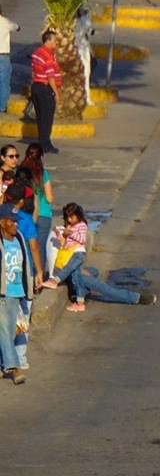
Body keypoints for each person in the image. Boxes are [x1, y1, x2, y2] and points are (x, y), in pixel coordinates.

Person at [0, 203, 34, 384]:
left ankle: (2, 364)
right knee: (5, 330)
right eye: (12, 221)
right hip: (2, 293)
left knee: (11, 330)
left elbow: (25, 262)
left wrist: (29, 288)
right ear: (2, 222)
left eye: (16, 221)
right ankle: (14, 368)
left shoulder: (19, 237)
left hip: (16, 292)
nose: (16, 225)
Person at [41, 202, 88, 311]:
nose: (70, 220)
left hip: (78, 253)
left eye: (72, 217)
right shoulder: (70, 226)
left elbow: (82, 240)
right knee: (77, 278)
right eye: (68, 218)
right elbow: (65, 242)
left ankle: (55, 281)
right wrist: (61, 235)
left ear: (78, 215)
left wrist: (70, 233)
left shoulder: (82, 225)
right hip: (70, 253)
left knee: (68, 268)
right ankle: (80, 302)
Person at [20, 144, 53, 275]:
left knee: (28, 247)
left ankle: (29, 277)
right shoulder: (43, 173)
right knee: (41, 248)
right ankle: (39, 279)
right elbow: (50, 198)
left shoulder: (20, 172)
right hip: (44, 214)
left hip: (26, 214)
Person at [30, 30, 61, 155]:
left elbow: (33, 72)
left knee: (41, 118)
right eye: (54, 40)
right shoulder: (47, 55)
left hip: (36, 87)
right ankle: (46, 144)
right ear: (47, 40)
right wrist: (56, 93)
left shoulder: (37, 52)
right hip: (45, 88)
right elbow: (50, 77)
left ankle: (42, 143)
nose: (56, 43)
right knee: (47, 118)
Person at [0, 6, 20, 114]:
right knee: (4, 82)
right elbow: (16, 27)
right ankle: (2, 107)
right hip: (3, 56)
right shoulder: (5, 22)